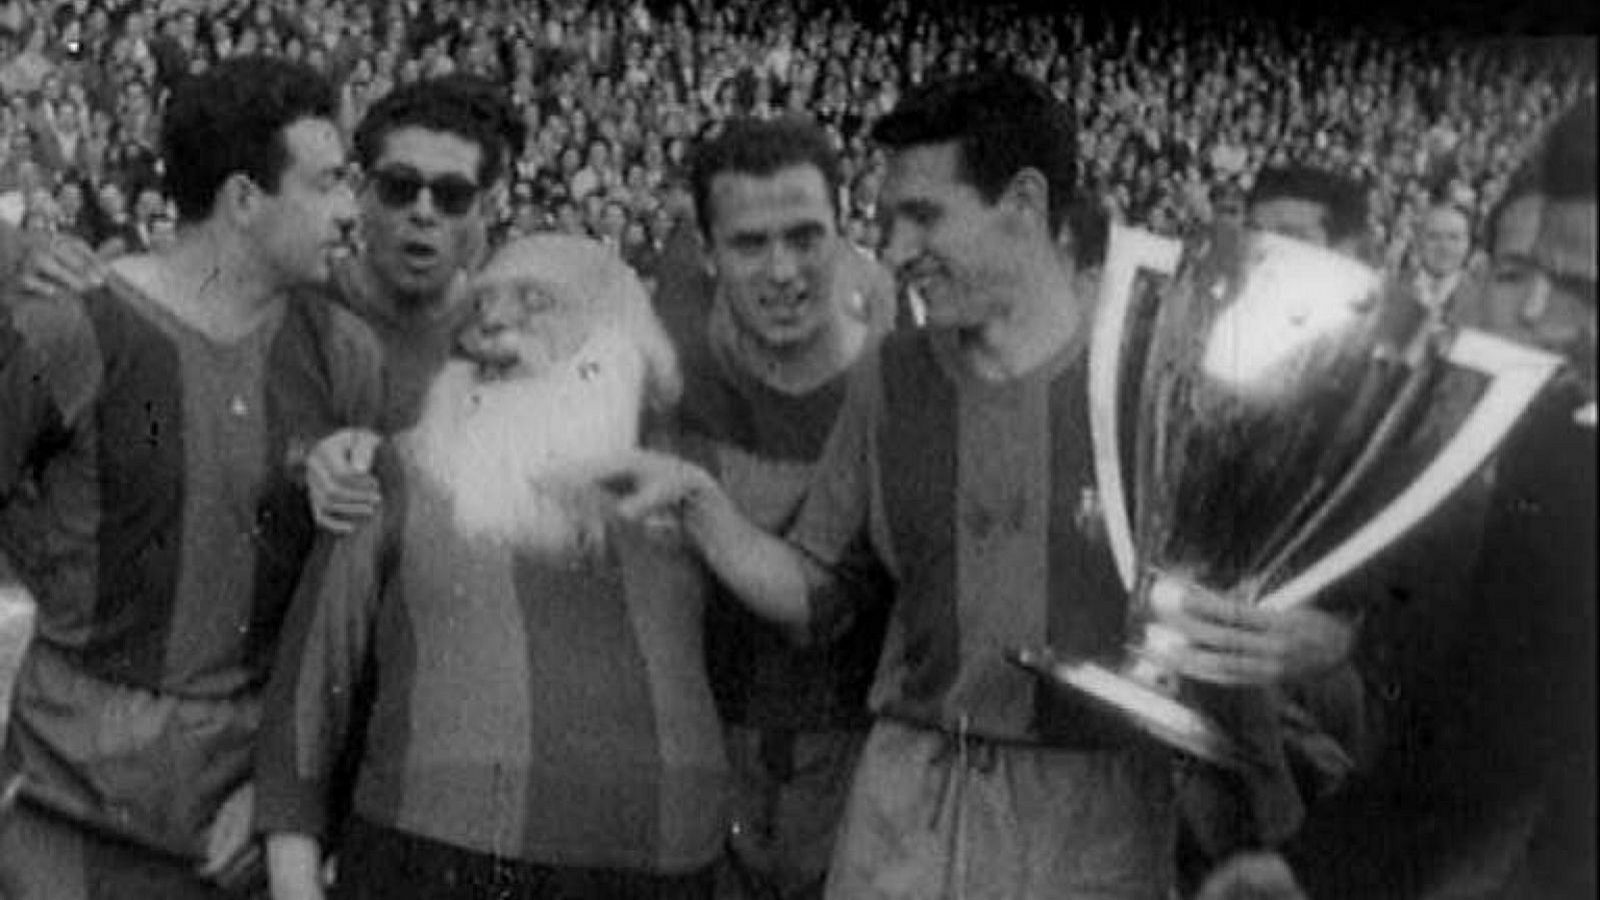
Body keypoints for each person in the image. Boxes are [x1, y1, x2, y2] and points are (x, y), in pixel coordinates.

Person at [605, 70, 1176, 900]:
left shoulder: (1150, 384)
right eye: (889, 219)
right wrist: (700, 502)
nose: (898, 251)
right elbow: (819, 588)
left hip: (1091, 818)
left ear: (1021, 202)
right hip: (908, 810)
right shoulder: (896, 376)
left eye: (924, 216)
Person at [0, 56, 383, 899]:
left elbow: (349, 621)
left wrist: (286, 796)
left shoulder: (343, 355)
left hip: (240, 832)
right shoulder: (73, 329)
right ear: (245, 201)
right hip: (62, 822)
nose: (352, 211)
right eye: (326, 184)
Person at [256, 235, 727, 900]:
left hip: (669, 872)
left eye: (535, 302)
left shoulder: (690, 488)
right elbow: (308, 699)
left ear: (616, 335)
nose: (495, 324)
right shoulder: (397, 472)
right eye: (482, 304)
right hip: (430, 866)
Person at [1283, 95, 1596, 900]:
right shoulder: (1558, 456)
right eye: (1524, 275)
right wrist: (1303, 875)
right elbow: (1484, 737)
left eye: (1583, 288)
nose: (1538, 315)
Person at [678, 117, 893, 900]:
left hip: (861, 782)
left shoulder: (909, 389)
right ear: (708, 253)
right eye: (749, 244)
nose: (783, 271)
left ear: (846, 233)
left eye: (806, 237)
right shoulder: (665, 386)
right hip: (702, 769)